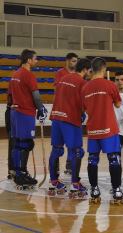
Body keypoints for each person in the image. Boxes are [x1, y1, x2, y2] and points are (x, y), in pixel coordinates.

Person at [81, 57, 123, 203]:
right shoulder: (110, 85)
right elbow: (118, 104)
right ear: (104, 69)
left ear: (92, 68)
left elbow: (85, 108)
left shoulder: (85, 87)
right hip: (109, 129)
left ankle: (94, 189)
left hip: (93, 130)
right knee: (114, 159)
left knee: (93, 160)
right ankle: (117, 190)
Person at [48, 58, 91, 196]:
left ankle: (53, 181)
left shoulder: (63, 78)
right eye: (89, 71)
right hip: (70, 120)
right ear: (85, 69)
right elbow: (85, 103)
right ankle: (75, 184)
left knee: (56, 149)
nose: (89, 73)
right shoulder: (82, 83)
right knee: (76, 151)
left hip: (56, 117)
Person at [8, 49, 48, 187]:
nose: (36, 61)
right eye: (35, 59)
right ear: (29, 60)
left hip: (15, 112)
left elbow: (9, 95)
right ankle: (20, 174)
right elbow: (36, 95)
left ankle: (19, 172)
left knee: (18, 144)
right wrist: (41, 109)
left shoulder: (14, 74)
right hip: (25, 113)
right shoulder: (28, 75)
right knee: (25, 144)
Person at [54, 52, 79, 175]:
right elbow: (59, 90)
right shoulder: (60, 73)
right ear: (67, 61)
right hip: (61, 113)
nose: (75, 63)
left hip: (73, 113)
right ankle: (55, 166)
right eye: (73, 61)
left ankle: (69, 165)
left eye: (76, 61)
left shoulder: (77, 75)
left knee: (72, 142)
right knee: (58, 143)